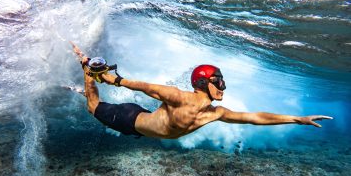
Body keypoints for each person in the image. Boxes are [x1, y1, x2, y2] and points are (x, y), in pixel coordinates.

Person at [71, 42, 333, 139]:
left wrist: (297, 119)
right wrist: (108, 78)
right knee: (93, 106)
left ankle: (89, 78)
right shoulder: (178, 97)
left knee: (111, 107)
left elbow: (255, 117)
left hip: (147, 125)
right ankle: (85, 65)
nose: (223, 86)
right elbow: (144, 86)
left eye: (222, 81)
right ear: (202, 82)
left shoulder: (215, 113)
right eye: (218, 81)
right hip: (132, 119)